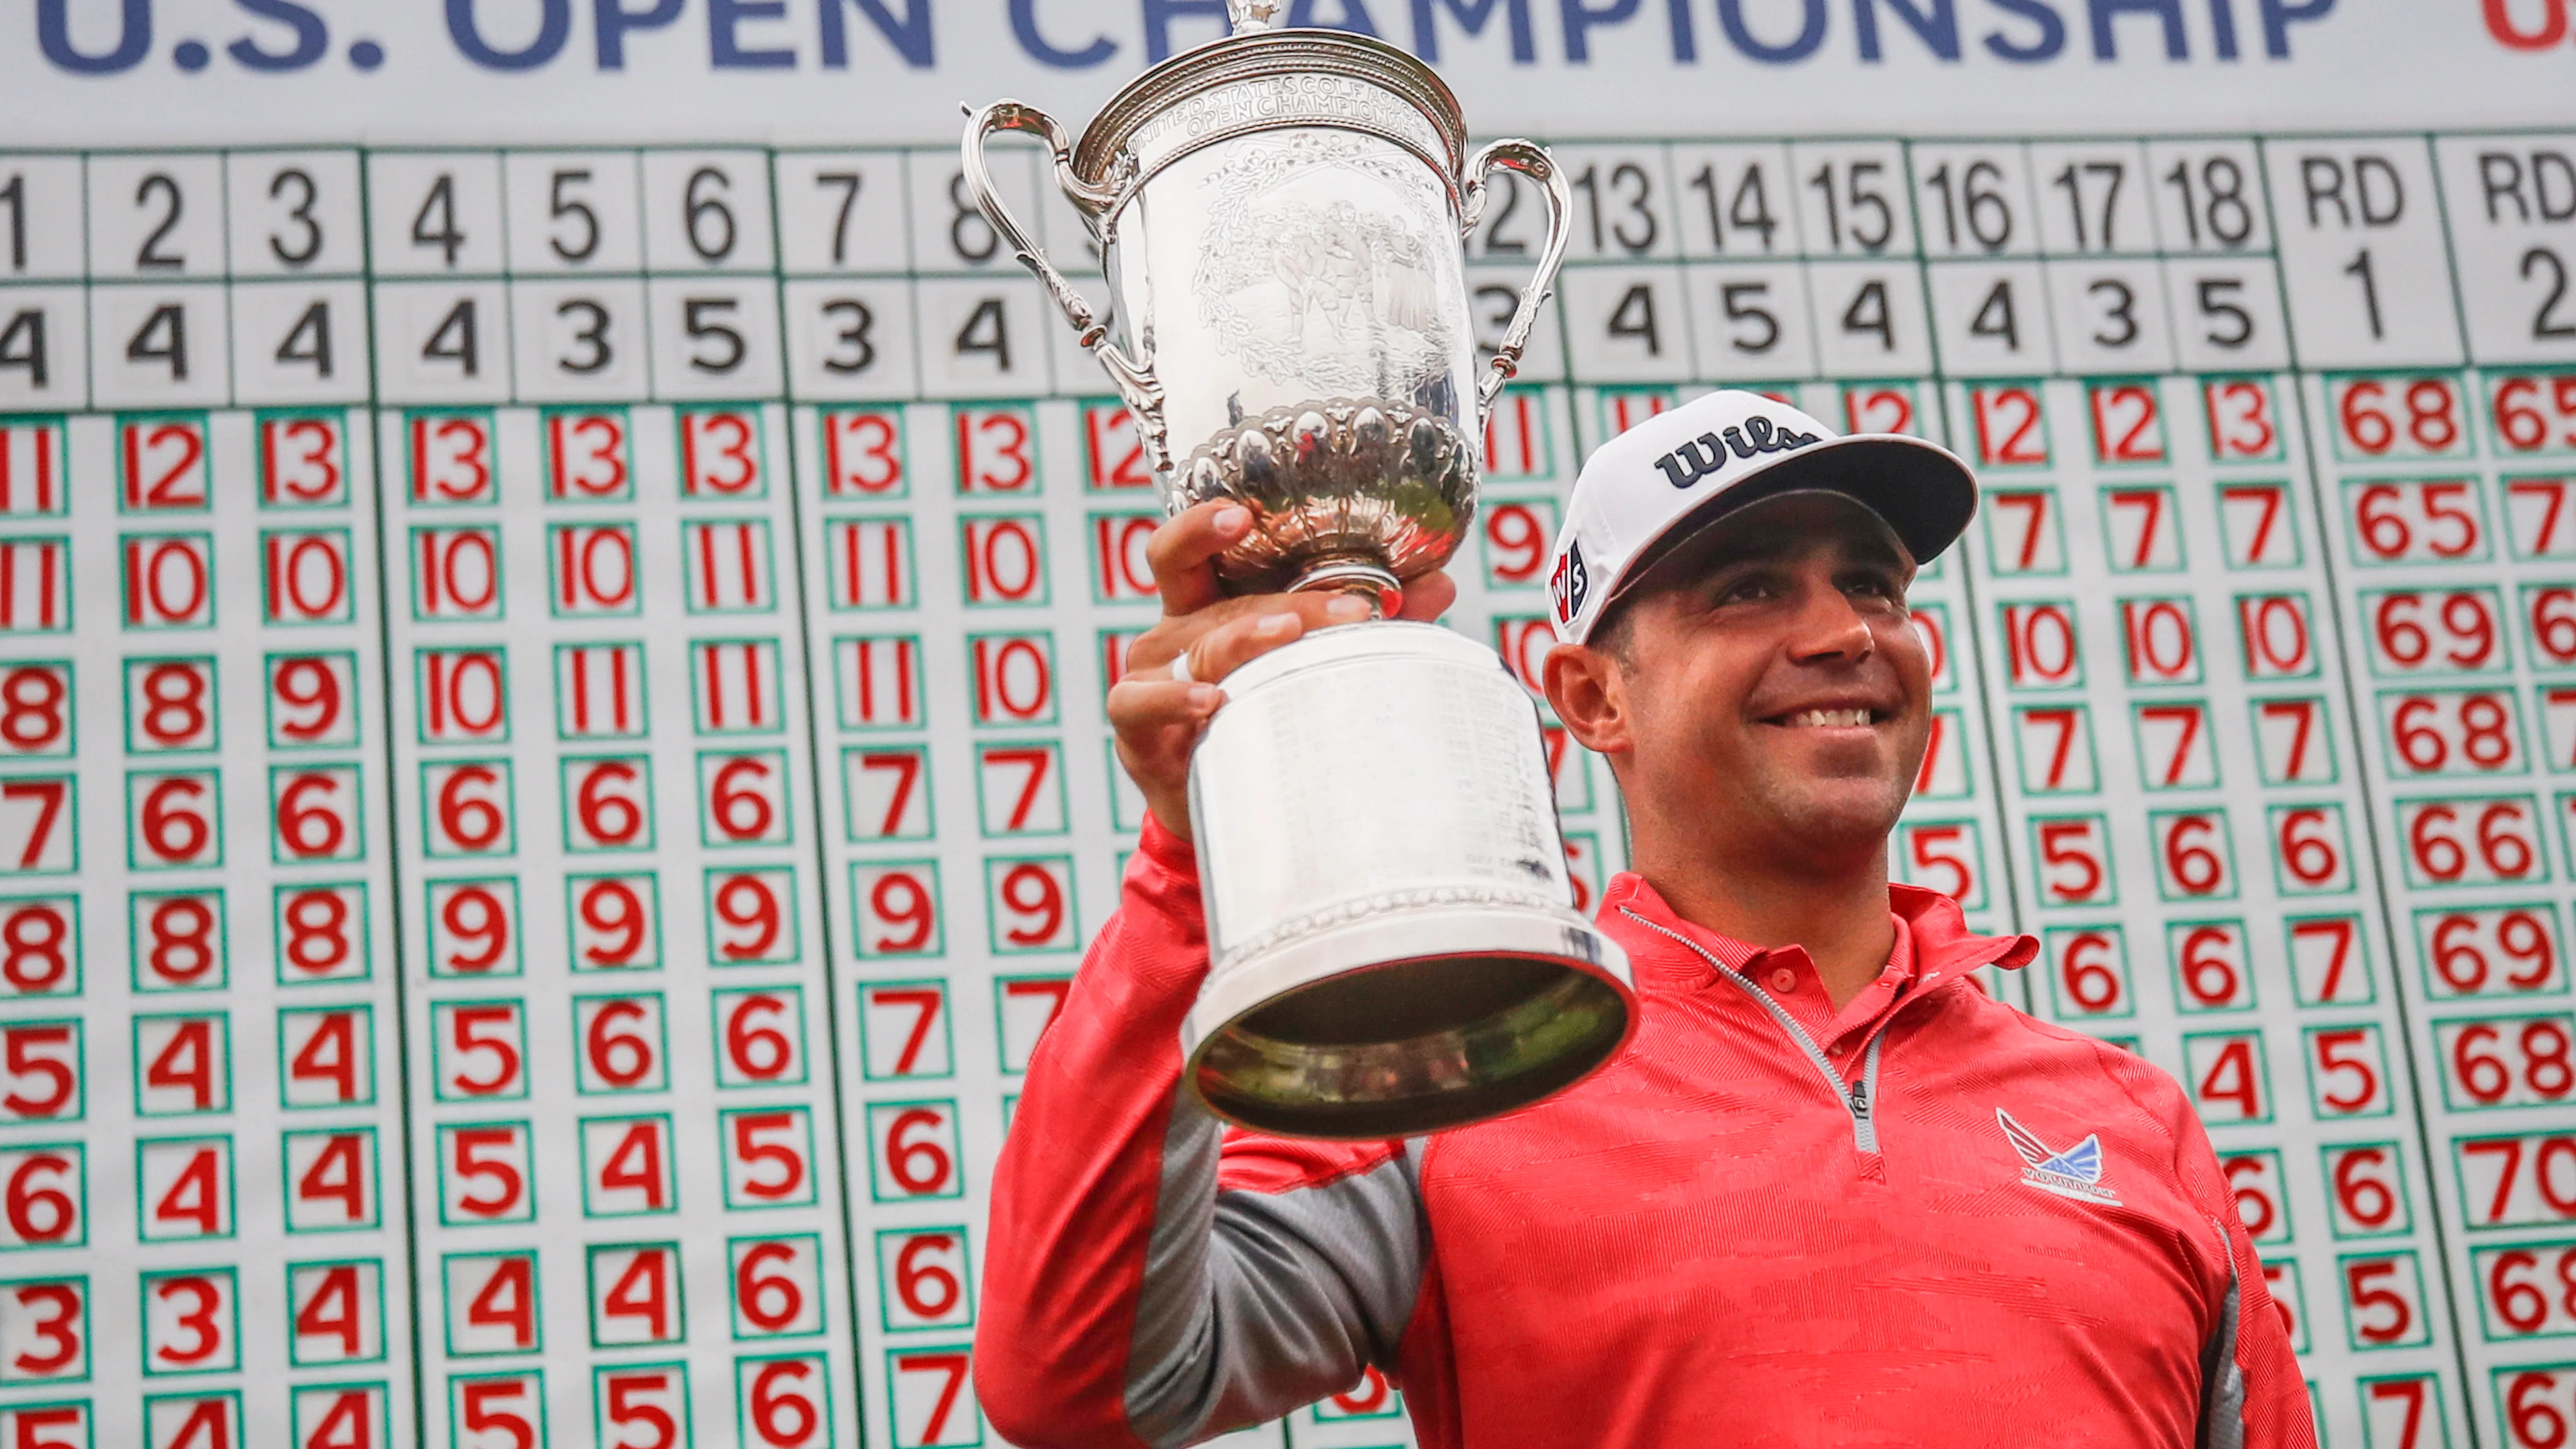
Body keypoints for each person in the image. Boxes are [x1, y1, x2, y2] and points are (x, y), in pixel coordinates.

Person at [974, 389, 2315, 1449]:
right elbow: (1080, 1384)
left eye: (1875, 583)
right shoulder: (1467, 1069)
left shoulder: (2131, 1115)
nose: (1844, 628)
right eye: (1747, 588)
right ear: (1591, 698)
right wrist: (1184, 865)